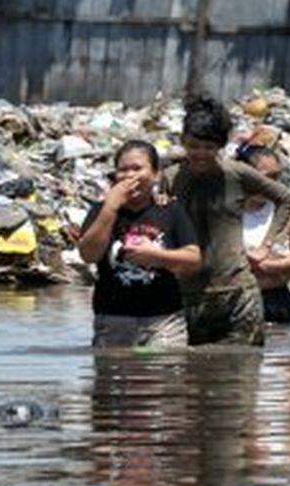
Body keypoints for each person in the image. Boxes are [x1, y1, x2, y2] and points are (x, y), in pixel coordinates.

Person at [167, 96, 290, 347]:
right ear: (183, 143)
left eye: (209, 147)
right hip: (189, 296)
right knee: (192, 379)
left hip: (238, 294)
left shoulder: (237, 174)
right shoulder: (171, 179)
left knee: (241, 376)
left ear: (221, 146)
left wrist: (266, 246)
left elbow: (284, 199)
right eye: (194, 146)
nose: (201, 154)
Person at [77, 139, 203, 348]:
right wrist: (110, 207)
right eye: (122, 170)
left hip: (164, 321)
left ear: (156, 174)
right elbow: (88, 255)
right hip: (113, 319)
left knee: (164, 375)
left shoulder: (171, 211)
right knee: (114, 378)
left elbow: (194, 260)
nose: (129, 175)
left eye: (137, 168)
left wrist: (156, 256)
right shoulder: (101, 210)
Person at [237, 144, 290, 325]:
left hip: (275, 300)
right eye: (267, 178)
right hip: (232, 300)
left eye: (277, 177)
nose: (273, 185)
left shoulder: (286, 207)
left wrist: (271, 266)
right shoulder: (221, 207)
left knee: (282, 349)